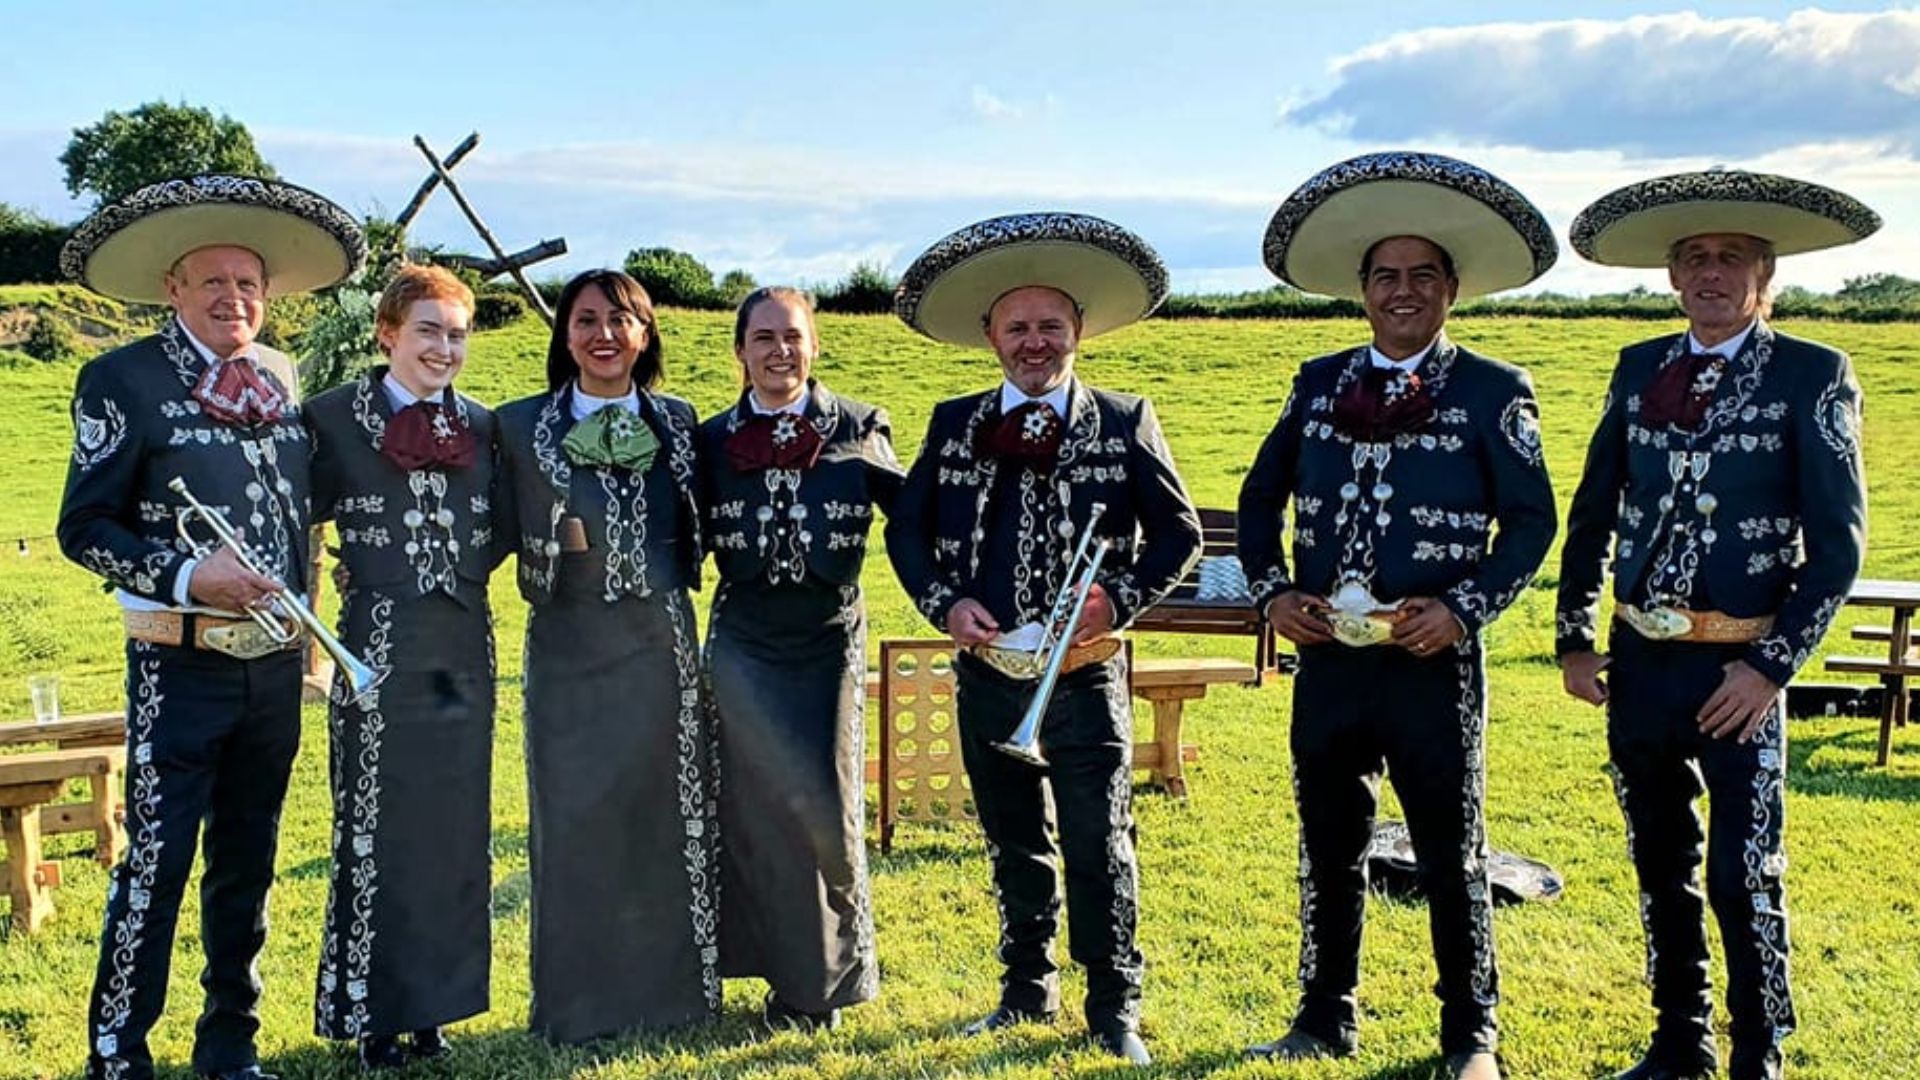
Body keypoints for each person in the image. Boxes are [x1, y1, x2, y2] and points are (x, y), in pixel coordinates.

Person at [1237, 152, 1560, 1080]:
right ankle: (1322, 1018)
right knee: (1328, 845)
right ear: (1362, 290)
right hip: (1332, 662)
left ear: (1452, 289)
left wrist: (1464, 611)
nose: (1404, 291)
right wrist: (1273, 593)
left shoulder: (1495, 389)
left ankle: (1472, 1039)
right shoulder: (1316, 380)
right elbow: (1260, 502)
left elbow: (1532, 521)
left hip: (1432, 661)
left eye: (1424, 275)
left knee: (1451, 853)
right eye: (1387, 276)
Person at [1557, 171, 1877, 1080]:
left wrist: (1771, 668)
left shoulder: (1814, 373)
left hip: (1743, 668)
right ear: (1670, 276)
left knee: (1744, 872)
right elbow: (1593, 508)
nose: (1710, 273)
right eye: (1693, 258)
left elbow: (1840, 547)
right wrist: (1577, 636)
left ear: (1764, 274)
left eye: (1730, 258)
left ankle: (1757, 1052)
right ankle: (1679, 1041)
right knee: (1661, 863)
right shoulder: (1638, 366)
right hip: (1641, 664)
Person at [56, 175, 365, 1080]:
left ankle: (230, 1045)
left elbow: (297, 524)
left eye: (250, 285)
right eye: (215, 283)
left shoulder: (280, 381)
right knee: (154, 864)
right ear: (174, 290)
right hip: (177, 664)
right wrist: (193, 574)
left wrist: (312, 635)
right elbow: (85, 530)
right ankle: (119, 1051)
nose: (236, 299)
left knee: (248, 864)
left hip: (272, 669)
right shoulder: (123, 378)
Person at [886, 211, 1202, 1067]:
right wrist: (944, 605)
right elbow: (906, 533)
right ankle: (1026, 989)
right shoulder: (953, 422)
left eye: (1050, 327)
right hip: (991, 669)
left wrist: (1120, 600)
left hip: (1087, 674)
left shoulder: (1127, 417)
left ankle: (1115, 1006)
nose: (1034, 342)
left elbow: (1180, 539)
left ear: (1078, 333)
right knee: (1013, 838)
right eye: (1017, 327)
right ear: (991, 335)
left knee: (1102, 841)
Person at [495, 269, 716, 1043]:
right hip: (567, 641)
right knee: (574, 818)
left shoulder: (682, 422)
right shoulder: (518, 426)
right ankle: (577, 1004)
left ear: (646, 333)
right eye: (585, 320)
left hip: (661, 639)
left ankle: (670, 995)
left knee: (664, 813)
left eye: (621, 320)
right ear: (564, 335)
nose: (603, 335)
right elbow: (480, 524)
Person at [303, 265, 503, 1068]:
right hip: (376, 649)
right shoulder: (329, 420)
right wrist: (304, 636)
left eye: (457, 334)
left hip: (463, 648)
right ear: (387, 332)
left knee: (454, 829)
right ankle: (374, 1011)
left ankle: (435, 1009)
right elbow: (294, 528)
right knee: (377, 825)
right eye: (428, 330)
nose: (444, 348)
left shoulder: (488, 428)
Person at [698, 286, 902, 1030]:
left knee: (826, 803)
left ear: (814, 346)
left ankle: (820, 986)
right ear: (740, 351)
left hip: (825, 635)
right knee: (746, 804)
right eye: (763, 338)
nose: (779, 351)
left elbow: (910, 520)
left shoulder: (859, 423)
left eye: (792, 337)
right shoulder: (710, 437)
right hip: (743, 638)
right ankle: (757, 972)